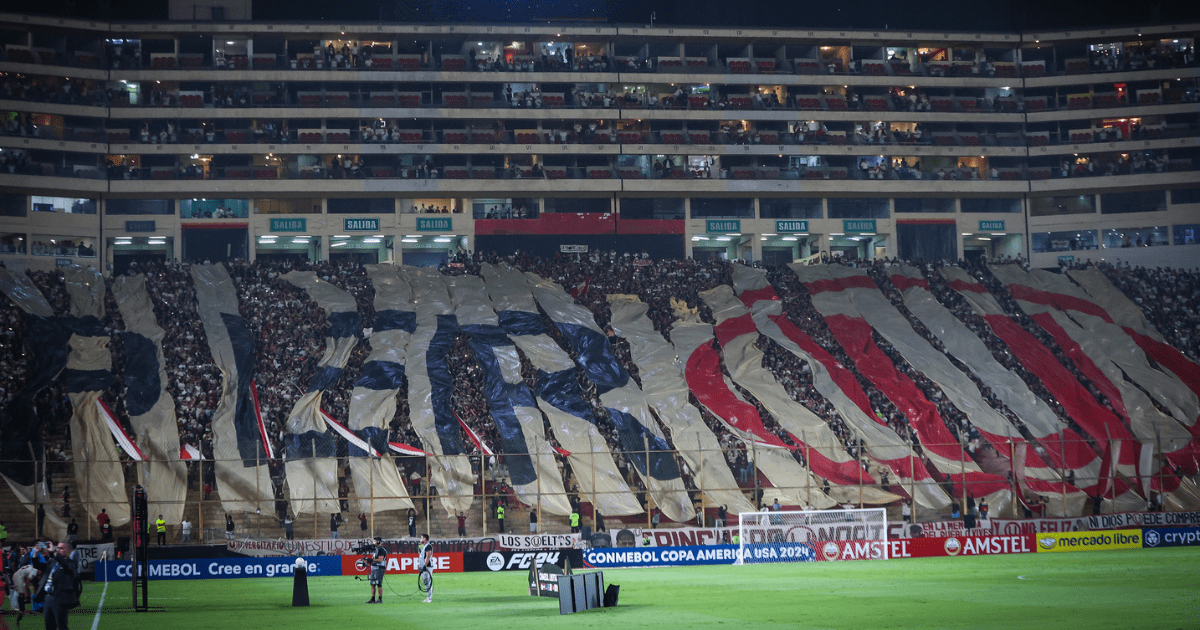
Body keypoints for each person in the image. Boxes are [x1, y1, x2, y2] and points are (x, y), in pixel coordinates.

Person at [38, 540, 80, 630]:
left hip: (60, 598)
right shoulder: (53, 561)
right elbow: (40, 566)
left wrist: (53, 552)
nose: (58, 550)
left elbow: (65, 565)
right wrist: (35, 554)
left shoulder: (71, 563)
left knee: (62, 626)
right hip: (48, 597)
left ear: (69, 551)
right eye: (58, 548)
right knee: (49, 626)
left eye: (61, 548)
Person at [366, 537, 387, 604]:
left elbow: (380, 560)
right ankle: (373, 598)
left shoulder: (381, 550)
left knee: (378, 584)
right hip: (374, 568)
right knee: (372, 584)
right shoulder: (376, 549)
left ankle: (380, 599)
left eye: (374, 541)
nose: (373, 542)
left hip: (380, 568)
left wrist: (371, 560)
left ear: (378, 542)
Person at [417, 534, 434, 603]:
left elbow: (428, 556)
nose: (421, 539)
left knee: (428, 582)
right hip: (423, 566)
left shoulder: (428, 546)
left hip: (427, 566)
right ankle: (428, 597)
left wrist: (425, 565)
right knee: (425, 582)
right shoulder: (422, 546)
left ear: (426, 539)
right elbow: (421, 557)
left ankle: (430, 598)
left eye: (422, 538)